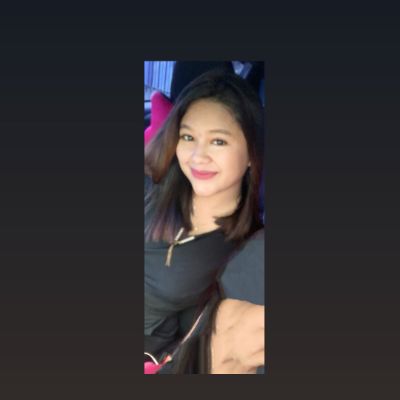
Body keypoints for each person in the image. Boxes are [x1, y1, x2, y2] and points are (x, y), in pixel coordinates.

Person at [144, 68, 264, 373]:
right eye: (188, 137)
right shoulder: (152, 186)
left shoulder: (244, 254)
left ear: (252, 153)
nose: (197, 156)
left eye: (218, 141)